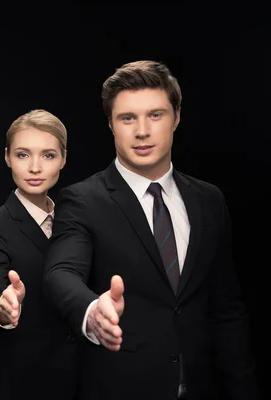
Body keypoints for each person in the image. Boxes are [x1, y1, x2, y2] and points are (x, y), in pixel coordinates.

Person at [43, 60, 260, 399]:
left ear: (176, 117)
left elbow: (227, 308)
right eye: (127, 118)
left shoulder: (208, 199)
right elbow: (60, 271)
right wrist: (91, 311)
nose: (141, 131)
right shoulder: (82, 200)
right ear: (111, 125)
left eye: (155, 115)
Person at [0, 109, 79, 399]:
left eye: (48, 155)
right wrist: (3, 309)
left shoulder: (75, 220)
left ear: (64, 158)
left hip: (79, 379)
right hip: (22, 382)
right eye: (23, 155)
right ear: (7, 157)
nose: (35, 167)